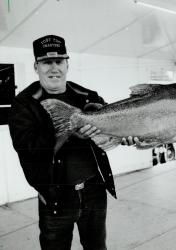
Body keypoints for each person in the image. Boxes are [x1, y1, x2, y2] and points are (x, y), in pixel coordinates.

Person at [8, 35, 136, 250]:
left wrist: (127, 135)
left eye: (59, 61)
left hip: (94, 191)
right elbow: (26, 147)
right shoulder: (24, 103)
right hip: (56, 197)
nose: (54, 68)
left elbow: (109, 130)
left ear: (67, 64)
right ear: (36, 66)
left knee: (96, 247)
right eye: (46, 62)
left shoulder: (87, 95)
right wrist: (69, 132)